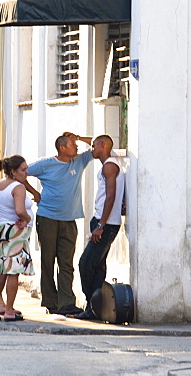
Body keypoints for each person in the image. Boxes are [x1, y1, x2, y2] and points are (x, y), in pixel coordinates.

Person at [24, 131, 94, 316]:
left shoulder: (79, 161)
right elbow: (20, 173)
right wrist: (35, 192)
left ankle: (67, 303)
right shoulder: (46, 164)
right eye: (72, 144)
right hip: (47, 217)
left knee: (66, 262)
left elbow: (98, 144)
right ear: (62, 148)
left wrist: (78, 137)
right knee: (48, 260)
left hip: (69, 219)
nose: (77, 147)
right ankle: (50, 301)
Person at [75, 134, 126, 320]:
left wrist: (101, 225)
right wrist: (80, 138)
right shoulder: (110, 166)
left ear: (103, 145)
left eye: (94, 146)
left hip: (106, 224)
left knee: (85, 263)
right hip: (102, 220)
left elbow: (111, 196)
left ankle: (92, 304)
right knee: (97, 266)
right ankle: (95, 308)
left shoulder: (110, 166)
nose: (92, 149)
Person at [0, 155, 38, 322]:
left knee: (2, 269)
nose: (26, 173)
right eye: (23, 170)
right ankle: (9, 309)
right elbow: (19, 210)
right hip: (16, 230)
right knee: (13, 271)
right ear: (13, 171)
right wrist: (27, 218)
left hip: (3, 228)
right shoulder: (18, 187)